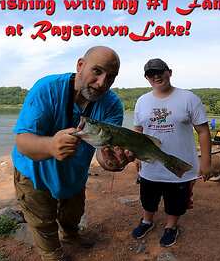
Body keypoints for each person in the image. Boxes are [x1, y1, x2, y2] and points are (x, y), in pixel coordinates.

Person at [12, 46, 135, 261]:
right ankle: (52, 255)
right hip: (34, 172)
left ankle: (69, 235)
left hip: (74, 175)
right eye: (97, 71)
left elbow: (102, 153)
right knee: (43, 222)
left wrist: (110, 163)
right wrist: (51, 146)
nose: (102, 83)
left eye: (111, 77)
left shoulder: (112, 105)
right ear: (80, 65)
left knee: (73, 215)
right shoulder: (47, 89)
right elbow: (22, 142)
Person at [131, 58, 213, 247]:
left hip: (180, 164)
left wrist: (206, 162)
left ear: (169, 72)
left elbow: (203, 130)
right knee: (148, 198)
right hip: (150, 165)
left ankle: (170, 227)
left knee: (176, 201)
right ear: (147, 78)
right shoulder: (142, 101)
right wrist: (137, 155)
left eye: (160, 71)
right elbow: (138, 132)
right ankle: (147, 221)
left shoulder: (189, 98)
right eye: (151, 74)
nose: (156, 76)